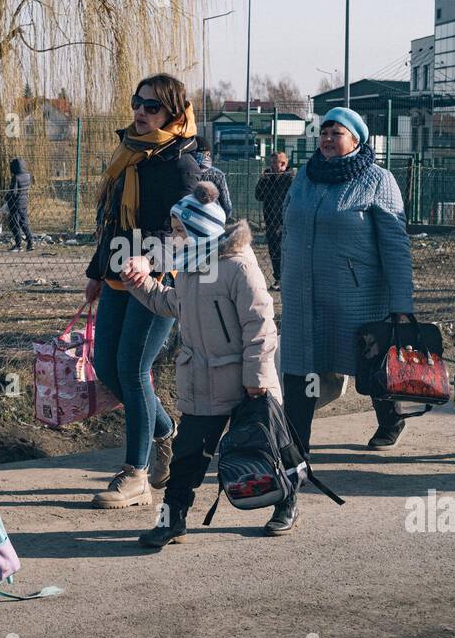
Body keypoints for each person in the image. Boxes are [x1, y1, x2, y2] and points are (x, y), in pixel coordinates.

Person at [121, 181, 280, 543]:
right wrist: (140, 283)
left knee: (269, 449)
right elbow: (172, 304)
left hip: (246, 384)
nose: (173, 238)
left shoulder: (238, 267)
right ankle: (170, 520)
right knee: (186, 459)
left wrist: (256, 378)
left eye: (179, 231)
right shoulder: (191, 267)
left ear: (201, 230)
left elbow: (260, 324)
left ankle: (286, 503)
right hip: (202, 382)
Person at [278, 107, 415, 516]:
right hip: (303, 299)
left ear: (357, 139)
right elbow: (287, 224)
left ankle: (391, 419)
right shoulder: (304, 175)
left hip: (356, 297)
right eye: (322, 131)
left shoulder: (377, 180)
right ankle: (292, 473)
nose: (325, 138)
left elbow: (396, 245)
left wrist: (401, 306)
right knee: (299, 379)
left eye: (335, 132)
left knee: (370, 371)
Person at [84, 73, 201, 509]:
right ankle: (166, 431)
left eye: (152, 106)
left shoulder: (183, 162)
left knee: (133, 368)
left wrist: (149, 260)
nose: (141, 112)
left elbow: (189, 228)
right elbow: (111, 218)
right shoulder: (129, 152)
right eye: (138, 102)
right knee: (106, 367)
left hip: (159, 281)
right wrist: (97, 271)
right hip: (118, 272)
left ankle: (136, 475)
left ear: (174, 113)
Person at [254, 150, 295, 290]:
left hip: (285, 221)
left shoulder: (291, 179)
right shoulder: (269, 177)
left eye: (273, 163)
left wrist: (284, 223)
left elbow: (293, 203)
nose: (270, 166)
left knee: (286, 251)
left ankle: (288, 279)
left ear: (283, 163)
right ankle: (278, 278)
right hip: (270, 220)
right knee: (274, 251)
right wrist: (263, 179)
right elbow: (258, 196)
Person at [193, 136, 232, 217]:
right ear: (208, 154)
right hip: (212, 218)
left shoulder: (185, 172)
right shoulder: (217, 174)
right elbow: (227, 207)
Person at [4, 157, 35, 252]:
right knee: (24, 223)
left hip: (15, 204)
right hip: (24, 202)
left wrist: (6, 198)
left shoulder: (16, 177)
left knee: (14, 224)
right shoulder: (28, 175)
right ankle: (30, 242)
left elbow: (13, 192)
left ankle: (18, 244)